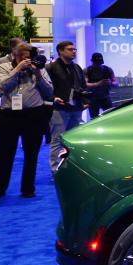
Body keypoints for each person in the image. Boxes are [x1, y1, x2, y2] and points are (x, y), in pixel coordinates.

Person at [0, 43, 54, 200]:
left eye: (29, 56)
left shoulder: (39, 68)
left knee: (32, 154)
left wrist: (38, 73)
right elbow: (1, 88)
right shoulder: (4, 67)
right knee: (4, 154)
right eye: (24, 55)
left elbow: (49, 92)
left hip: (33, 115)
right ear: (15, 55)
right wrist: (17, 70)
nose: (27, 59)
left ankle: (28, 188)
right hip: (9, 116)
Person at [47, 41, 87, 172]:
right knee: (57, 141)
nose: (74, 51)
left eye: (74, 49)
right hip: (60, 109)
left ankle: (69, 169)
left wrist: (85, 101)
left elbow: (82, 86)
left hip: (76, 108)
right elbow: (45, 88)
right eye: (70, 49)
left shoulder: (77, 68)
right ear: (60, 51)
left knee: (72, 141)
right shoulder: (51, 68)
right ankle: (55, 171)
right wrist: (53, 99)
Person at [85, 52, 117, 119]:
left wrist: (110, 83)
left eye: (99, 63)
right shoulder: (87, 70)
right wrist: (98, 83)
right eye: (96, 63)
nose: (98, 65)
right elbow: (85, 85)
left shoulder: (108, 69)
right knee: (94, 119)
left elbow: (116, 83)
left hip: (105, 97)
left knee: (111, 117)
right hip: (93, 98)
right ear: (92, 61)